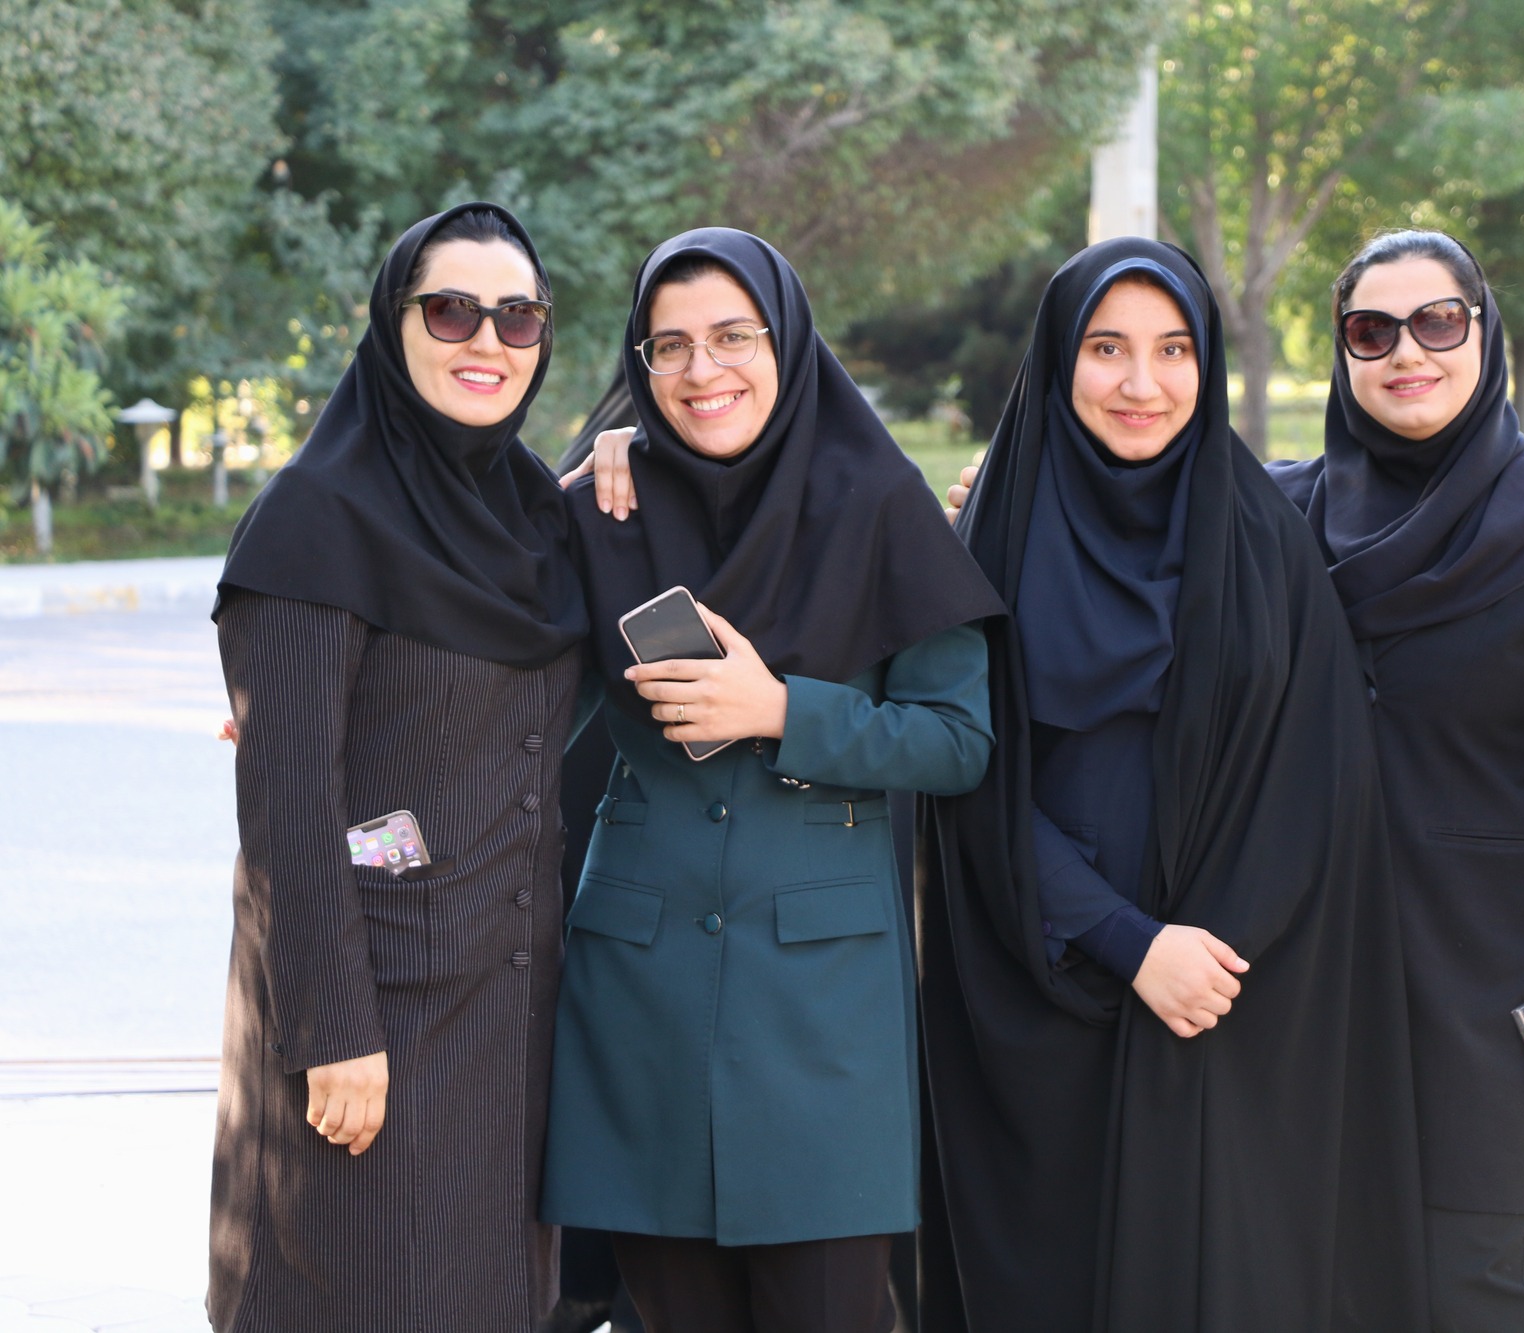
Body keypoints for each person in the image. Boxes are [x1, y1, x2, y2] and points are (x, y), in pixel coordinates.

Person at [942, 230, 1524, 1331]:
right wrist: (999, 500)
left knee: (1473, 1286)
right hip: (1287, 991)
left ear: (1485, 334)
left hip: (1466, 980)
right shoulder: (1279, 516)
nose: (1407, 352)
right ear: (1339, 350)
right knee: (1334, 1286)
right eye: (1372, 330)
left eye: (1438, 323)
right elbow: (1121, 525)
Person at [919, 237, 1428, 1331]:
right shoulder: (988, 538)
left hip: (1223, 1002)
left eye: (1173, 349)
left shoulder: (1263, 543)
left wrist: (1202, 953)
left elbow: (1311, 777)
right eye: (1106, 348)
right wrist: (1126, 939)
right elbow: (967, 773)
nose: (1140, 383)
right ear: (1058, 359)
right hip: (1034, 984)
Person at [540, 227, 1003, 1333]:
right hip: (640, 1002)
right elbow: (506, 705)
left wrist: (783, 711)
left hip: (821, 1015)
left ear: (786, 341)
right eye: (669, 346)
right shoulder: (604, 506)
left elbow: (956, 741)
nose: (703, 369)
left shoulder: (878, 501)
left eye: (732, 336)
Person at [209, 202, 589, 1330]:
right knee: (367, 1289)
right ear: (395, 321)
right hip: (372, 1015)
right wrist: (334, 1033)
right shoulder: (314, 519)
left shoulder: (534, 514)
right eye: (452, 310)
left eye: (518, 316)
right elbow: (289, 807)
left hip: (509, 1013)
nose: (488, 341)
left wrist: (623, 447)